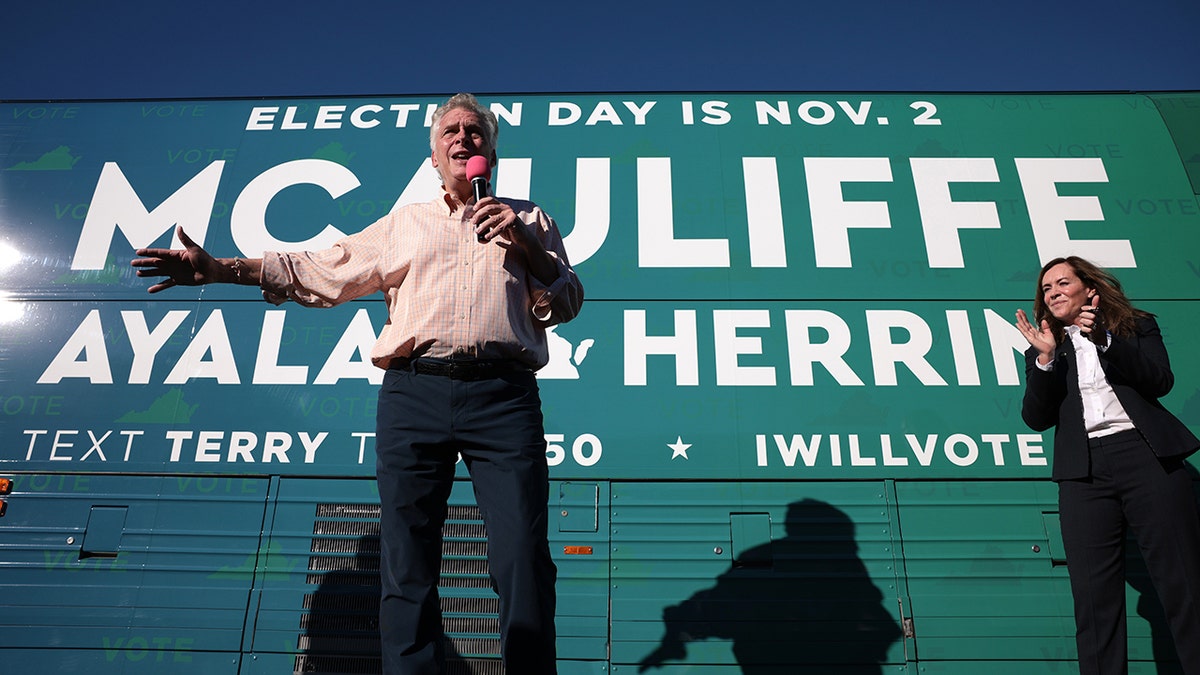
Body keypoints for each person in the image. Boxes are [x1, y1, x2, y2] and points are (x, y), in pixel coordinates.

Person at [131, 93, 583, 674]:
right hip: (413, 394)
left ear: (490, 151)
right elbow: (323, 268)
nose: (463, 138)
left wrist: (525, 245)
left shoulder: (532, 219)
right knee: (406, 559)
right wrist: (221, 270)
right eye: (451, 130)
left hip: (504, 397)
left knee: (522, 554)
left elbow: (566, 301)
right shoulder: (406, 223)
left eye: (475, 131)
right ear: (435, 152)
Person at [1015, 256, 1200, 675]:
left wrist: (1105, 340)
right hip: (1083, 473)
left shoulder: (1135, 325)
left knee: (1183, 586)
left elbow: (1160, 381)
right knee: (1094, 602)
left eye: (1062, 283)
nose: (1053, 292)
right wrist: (1044, 363)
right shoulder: (1044, 347)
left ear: (1089, 289)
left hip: (1147, 456)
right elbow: (1036, 417)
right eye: (1046, 289)